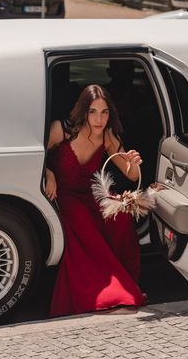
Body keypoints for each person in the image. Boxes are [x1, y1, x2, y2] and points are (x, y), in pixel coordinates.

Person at [45, 84, 147, 317]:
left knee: (120, 216)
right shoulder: (61, 130)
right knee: (82, 219)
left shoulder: (108, 136)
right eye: (93, 111)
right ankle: (106, 289)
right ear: (84, 110)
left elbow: (131, 175)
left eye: (104, 112)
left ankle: (126, 281)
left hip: (90, 194)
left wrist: (133, 161)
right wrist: (48, 173)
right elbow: (33, 157)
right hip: (63, 195)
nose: (99, 119)